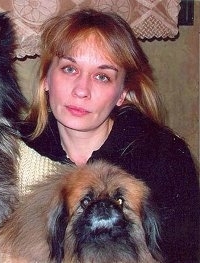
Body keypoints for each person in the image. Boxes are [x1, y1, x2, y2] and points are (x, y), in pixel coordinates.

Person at [17, 9, 200, 263]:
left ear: (122, 92)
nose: (82, 90)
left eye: (102, 76)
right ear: (46, 78)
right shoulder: (13, 152)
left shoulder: (164, 157)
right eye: (70, 69)